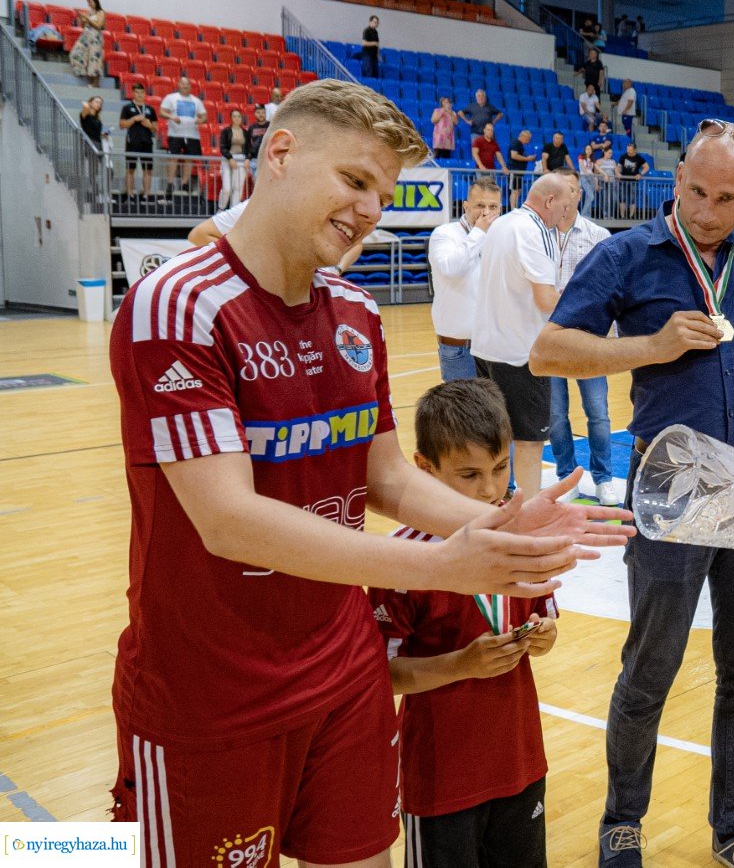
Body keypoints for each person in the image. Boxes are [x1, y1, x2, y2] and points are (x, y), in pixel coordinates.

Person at [107, 79, 629, 866]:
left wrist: (495, 522)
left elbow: (385, 477)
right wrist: (439, 565)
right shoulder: (177, 303)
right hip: (212, 692)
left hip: (346, 672)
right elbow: (227, 519)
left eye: (382, 195)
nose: (368, 210)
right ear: (280, 153)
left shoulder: (356, 312)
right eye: (354, 180)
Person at [532, 119, 734, 868]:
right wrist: (651, 347)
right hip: (671, 480)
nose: (707, 211)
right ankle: (622, 821)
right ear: (677, 179)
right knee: (650, 667)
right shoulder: (626, 253)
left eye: (728, 198)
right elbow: (547, 352)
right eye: (696, 191)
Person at [371, 378, 560, 868]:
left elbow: (547, 625)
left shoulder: (519, 542)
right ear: (424, 469)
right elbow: (383, 675)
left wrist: (541, 637)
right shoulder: (402, 560)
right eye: (470, 474)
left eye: (500, 468)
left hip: (520, 761)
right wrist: (462, 664)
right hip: (441, 778)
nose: (491, 489)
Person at [471, 172, 575, 498]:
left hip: (486, 347)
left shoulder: (502, 224)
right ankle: (530, 512)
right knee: (530, 441)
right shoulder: (534, 230)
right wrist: (583, 302)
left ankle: (496, 502)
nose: (566, 215)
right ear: (549, 201)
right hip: (520, 353)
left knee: (496, 437)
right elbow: (546, 299)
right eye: (564, 207)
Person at [545, 173, 619, 506]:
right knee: (555, 416)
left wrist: (610, 342)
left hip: (589, 340)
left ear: (579, 194)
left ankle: (604, 478)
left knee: (598, 413)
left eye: (571, 189)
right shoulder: (537, 236)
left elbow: (612, 289)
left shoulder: (598, 236)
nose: (564, 196)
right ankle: (566, 477)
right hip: (549, 340)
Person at [430, 177, 502, 383]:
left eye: (493, 207)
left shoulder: (500, 237)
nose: (486, 212)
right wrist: (479, 232)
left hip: (494, 344)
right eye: (480, 206)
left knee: (496, 403)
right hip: (458, 345)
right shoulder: (444, 233)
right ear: (466, 206)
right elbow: (451, 269)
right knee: (464, 403)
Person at [188, 196, 369, 273]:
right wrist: (249, 266)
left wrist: (336, 270)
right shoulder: (257, 206)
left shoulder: (332, 211)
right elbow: (199, 235)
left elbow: (357, 244)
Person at [160, 76, 208, 199]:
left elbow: (204, 116)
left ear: (190, 86)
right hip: (175, 134)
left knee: (189, 159)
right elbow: (162, 112)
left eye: (187, 84)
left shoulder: (196, 100)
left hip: (192, 135)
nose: (185, 85)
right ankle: (170, 183)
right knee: (173, 158)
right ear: (178, 84)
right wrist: (171, 117)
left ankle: (184, 183)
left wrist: (200, 120)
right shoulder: (171, 97)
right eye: (182, 83)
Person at [118, 83, 158, 198]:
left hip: (147, 142)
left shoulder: (150, 109)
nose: (140, 95)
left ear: (145, 94)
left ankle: (146, 194)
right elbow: (122, 125)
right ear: (133, 93)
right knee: (130, 169)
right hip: (132, 142)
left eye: (142, 92)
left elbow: (155, 128)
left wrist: (149, 125)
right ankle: (130, 193)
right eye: (137, 92)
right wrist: (134, 119)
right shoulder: (127, 108)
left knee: (148, 169)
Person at [218, 108, 251, 210]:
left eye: (239, 116)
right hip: (227, 159)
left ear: (241, 118)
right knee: (227, 188)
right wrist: (230, 158)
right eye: (234, 116)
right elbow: (222, 147)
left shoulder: (245, 132)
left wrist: (248, 159)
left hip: (241, 159)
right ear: (231, 118)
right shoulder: (225, 131)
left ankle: (233, 211)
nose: (237, 118)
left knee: (238, 188)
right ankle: (221, 209)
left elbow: (249, 148)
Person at [69, 0, 105, 81]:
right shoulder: (89, 12)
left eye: (90, 1)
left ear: (95, 1)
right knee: (75, 53)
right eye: (88, 2)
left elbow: (99, 26)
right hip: (86, 36)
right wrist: (82, 19)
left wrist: (87, 18)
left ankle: (94, 82)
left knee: (94, 59)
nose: (89, 4)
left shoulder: (101, 12)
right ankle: (82, 72)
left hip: (95, 38)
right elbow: (84, 26)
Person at [431, 96, 458, 161]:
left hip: (448, 137)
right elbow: (433, 120)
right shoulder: (437, 110)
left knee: (446, 156)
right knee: (437, 155)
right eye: (445, 102)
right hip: (439, 136)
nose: (446, 103)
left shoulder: (453, 112)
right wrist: (441, 112)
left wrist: (450, 113)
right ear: (442, 103)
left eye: (448, 102)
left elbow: (456, 122)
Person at [246, 104, 270, 176]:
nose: (261, 115)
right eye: (258, 112)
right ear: (254, 114)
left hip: (266, 159)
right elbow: (247, 144)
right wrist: (248, 158)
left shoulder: (271, 126)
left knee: (258, 178)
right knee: (255, 180)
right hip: (254, 159)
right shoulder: (251, 128)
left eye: (263, 112)